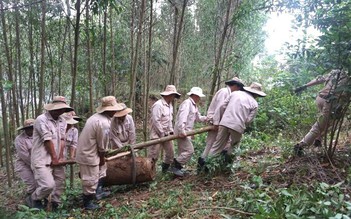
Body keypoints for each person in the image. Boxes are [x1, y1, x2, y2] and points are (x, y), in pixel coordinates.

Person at [75, 96, 123, 210]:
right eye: (114, 109)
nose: (115, 111)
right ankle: (87, 202)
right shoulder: (103, 123)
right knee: (90, 179)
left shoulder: (98, 118)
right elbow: (102, 144)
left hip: (92, 150)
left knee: (101, 172)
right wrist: (102, 157)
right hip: (88, 153)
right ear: (108, 110)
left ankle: (97, 192)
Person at [28, 96, 74, 210]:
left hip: (56, 157)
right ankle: (34, 198)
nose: (61, 111)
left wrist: (59, 158)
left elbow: (62, 139)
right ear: (52, 108)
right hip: (42, 159)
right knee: (48, 185)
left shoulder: (62, 121)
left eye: (63, 109)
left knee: (59, 181)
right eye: (59, 108)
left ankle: (55, 203)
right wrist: (54, 158)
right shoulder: (41, 119)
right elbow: (47, 140)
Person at [293, 69, 350, 156]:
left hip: (320, 98)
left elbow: (319, 79)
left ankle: (318, 140)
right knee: (319, 126)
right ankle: (300, 146)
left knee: (328, 122)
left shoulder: (337, 71)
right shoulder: (348, 76)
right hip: (330, 101)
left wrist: (305, 86)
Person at [207, 82, 266, 159]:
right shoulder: (254, 103)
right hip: (237, 126)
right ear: (256, 95)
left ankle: (208, 165)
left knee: (217, 146)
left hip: (224, 123)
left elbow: (222, 107)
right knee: (234, 146)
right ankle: (227, 164)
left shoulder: (235, 94)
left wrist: (222, 119)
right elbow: (248, 120)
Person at [198, 77, 244, 169]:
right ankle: (202, 166)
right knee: (211, 144)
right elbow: (220, 108)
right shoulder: (224, 92)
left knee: (219, 145)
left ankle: (210, 165)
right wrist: (216, 123)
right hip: (216, 122)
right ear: (235, 86)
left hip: (221, 123)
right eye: (238, 88)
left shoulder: (230, 93)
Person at [171, 87, 208, 177]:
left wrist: (208, 118)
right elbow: (182, 118)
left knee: (182, 150)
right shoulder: (187, 103)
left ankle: (177, 171)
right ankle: (174, 165)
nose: (199, 98)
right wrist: (182, 130)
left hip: (187, 131)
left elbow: (198, 118)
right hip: (182, 131)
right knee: (189, 150)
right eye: (199, 96)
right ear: (195, 95)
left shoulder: (194, 105)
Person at [148, 85, 181, 173]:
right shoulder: (158, 105)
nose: (174, 97)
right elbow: (156, 121)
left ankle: (164, 172)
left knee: (170, 154)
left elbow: (170, 120)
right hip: (156, 134)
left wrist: (171, 132)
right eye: (173, 95)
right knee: (153, 156)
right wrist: (162, 133)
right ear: (168, 95)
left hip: (167, 134)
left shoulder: (170, 106)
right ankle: (149, 174)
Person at [15, 119, 36, 204]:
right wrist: (36, 166)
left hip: (37, 163)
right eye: (29, 128)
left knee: (42, 183)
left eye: (32, 127)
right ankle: (31, 202)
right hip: (24, 164)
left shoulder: (38, 136)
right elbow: (24, 156)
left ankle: (38, 200)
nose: (31, 129)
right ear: (25, 129)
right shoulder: (19, 139)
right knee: (32, 184)